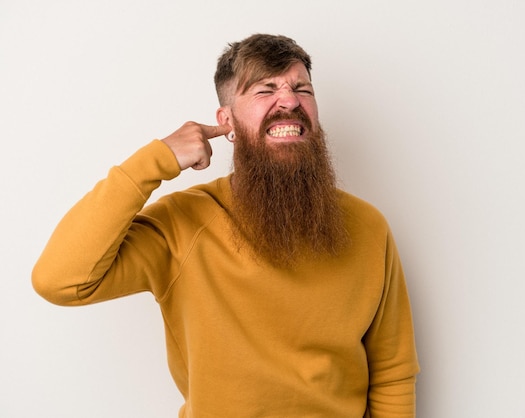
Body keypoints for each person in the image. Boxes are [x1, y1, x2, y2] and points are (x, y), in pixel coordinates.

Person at [32, 34, 419, 417]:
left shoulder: (369, 227)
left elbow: (392, 373)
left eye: (302, 89)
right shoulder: (184, 223)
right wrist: (155, 160)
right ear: (227, 121)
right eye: (265, 90)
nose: (290, 100)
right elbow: (60, 280)